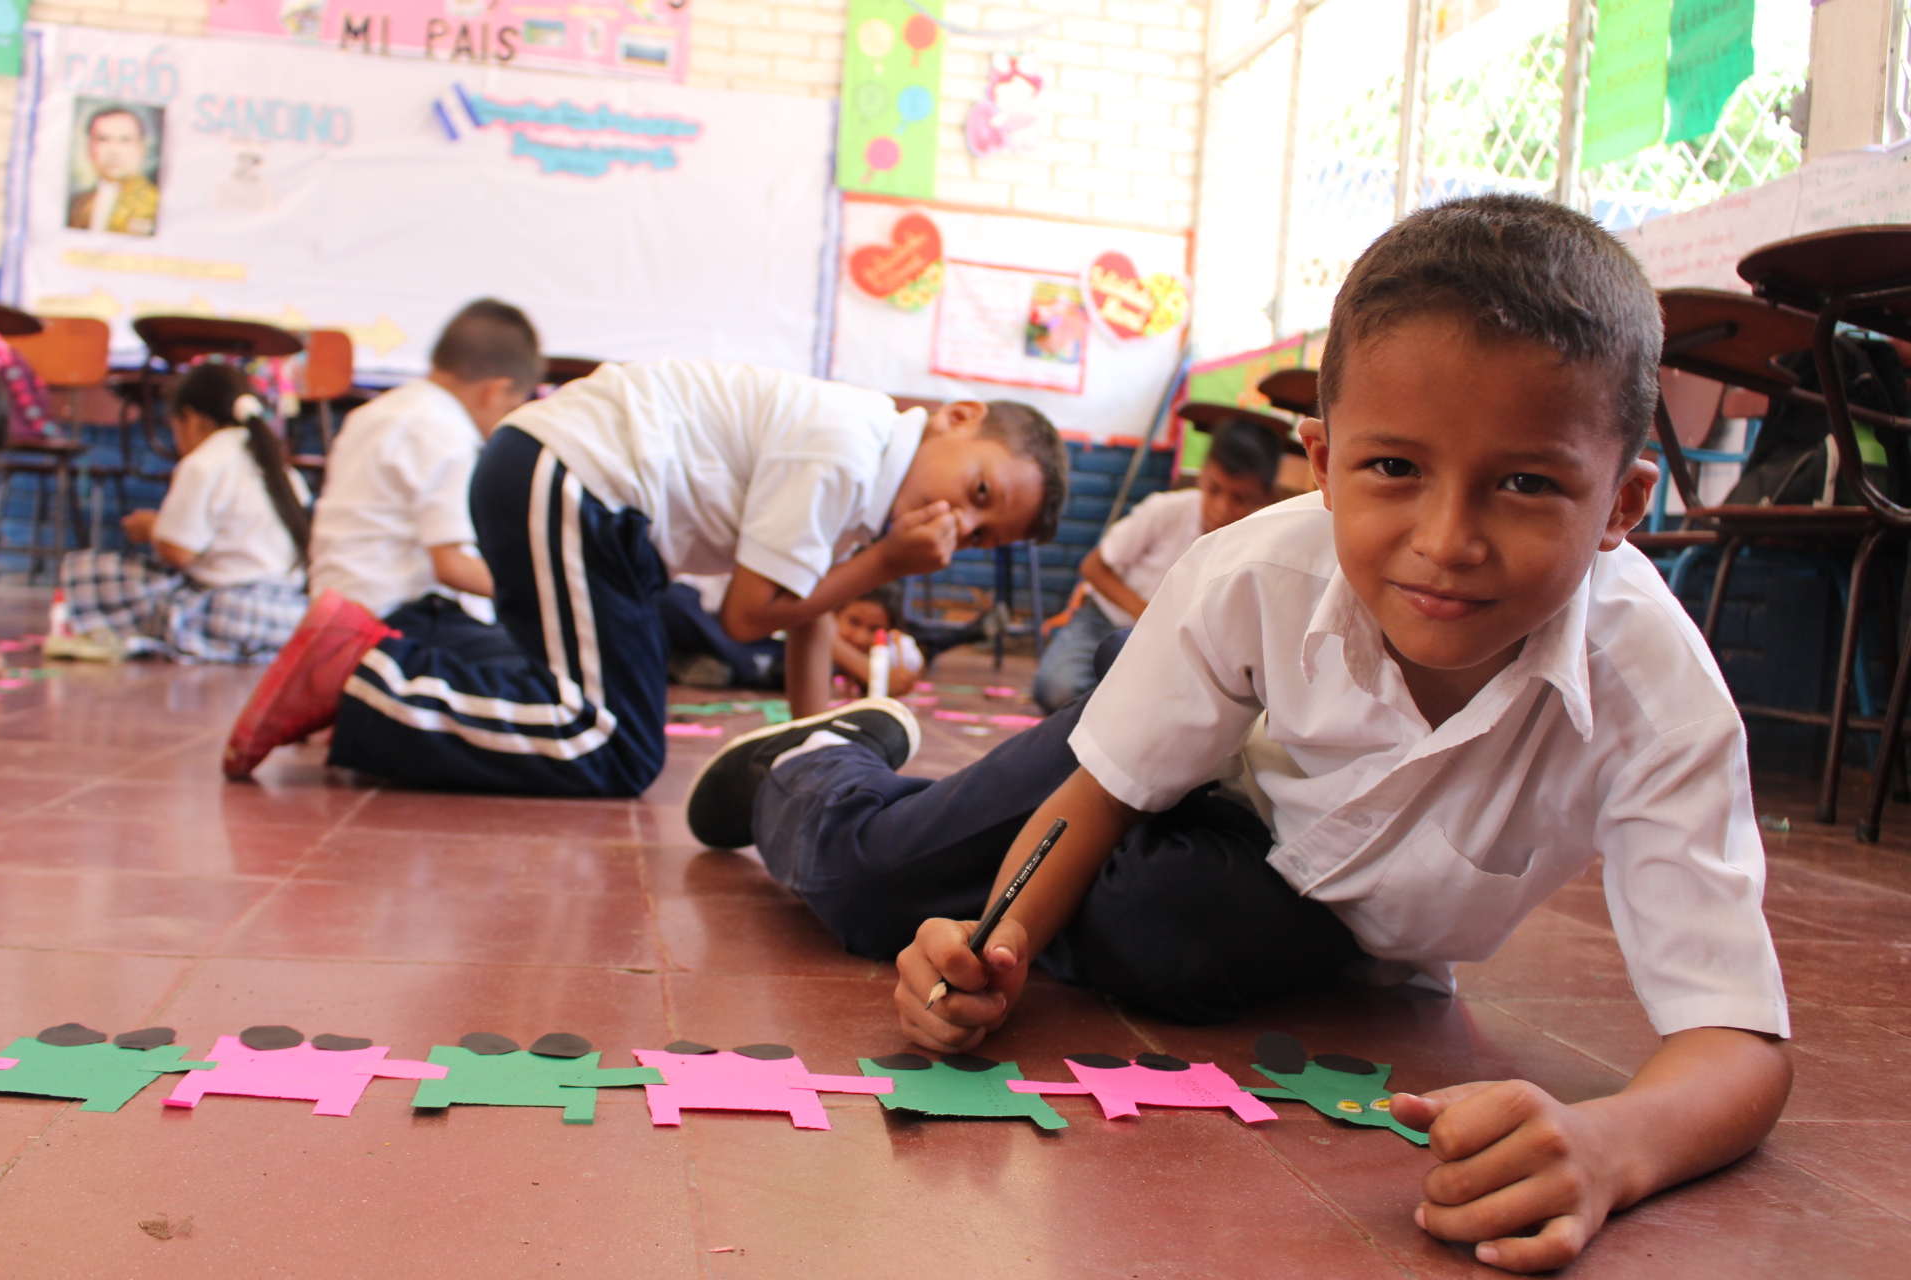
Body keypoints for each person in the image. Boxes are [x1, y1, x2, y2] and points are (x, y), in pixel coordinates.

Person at [683, 195, 1791, 1274]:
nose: (1448, 541)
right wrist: (998, 951)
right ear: (1321, 456)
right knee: (878, 884)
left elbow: (1740, 1041)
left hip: (1298, 907)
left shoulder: (1657, 692)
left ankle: (1032, 879)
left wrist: (1613, 1143)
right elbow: (1101, 792)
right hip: (1135, 763)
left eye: (1528, 483)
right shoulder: (1254, 571)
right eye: (1394, 468)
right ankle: (816, 764)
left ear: (1623, 504)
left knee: (1171, 927)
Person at [221, 363, 1068, 796]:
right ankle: (364, 680)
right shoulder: (848, 447)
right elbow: (748, 617)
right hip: (575, 481)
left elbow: (810, 611)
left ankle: (381, 667)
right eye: (979, 492)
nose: (962, 523)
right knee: (613, 747)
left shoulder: (868, 476)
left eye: (985, 534)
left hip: (584, 499)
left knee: (590, 711)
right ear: (957, 419)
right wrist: (883, 566)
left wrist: (813, 744)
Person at [309, 299, 540, 644]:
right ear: (496, 391)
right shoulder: (447, 432)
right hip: (390, 629)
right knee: (537, 670)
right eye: (512, 408)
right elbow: (452, 566)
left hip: (333, 619)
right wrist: (538, 595)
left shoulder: (374, 414)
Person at [58, 364, 311, 662]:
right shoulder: (282, 469)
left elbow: (178, 553)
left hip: (228, 612)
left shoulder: (204, 462)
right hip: (289, 617)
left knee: (91, 569)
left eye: (173, 427)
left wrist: (152, 528)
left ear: (190, 419)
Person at [1033, 415, 1283, 711]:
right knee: (1058, 690)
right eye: (1214, 489)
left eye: (1241, 498)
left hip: (1178, 648)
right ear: (1202, 476)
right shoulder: (1165, 510)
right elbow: (1093, 567)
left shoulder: (1260, 541)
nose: (1221, 508)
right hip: (1108, 621)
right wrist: (1148, 615)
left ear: (1267, 497)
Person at [66, 105, 159, 236]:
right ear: (90, 147)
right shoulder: (77, 205)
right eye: (103, 139)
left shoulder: (157, 204)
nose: (114, 151)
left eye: (125, 140)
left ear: (141, 147)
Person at [832, 582, 923, 697]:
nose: (860, 638)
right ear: (834, 614)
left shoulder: (898, 653)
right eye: (853, 622)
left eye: (874, 629)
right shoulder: (816, 644)